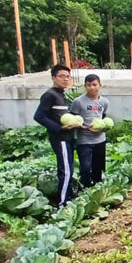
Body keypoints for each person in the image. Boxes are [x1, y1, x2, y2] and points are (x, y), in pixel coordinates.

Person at [34, 64, 77, 207]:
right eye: (61, 76)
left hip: (68, 137)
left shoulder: (61, 94)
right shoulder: (50, 95)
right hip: (61, 139)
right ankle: (62, 203)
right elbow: (39, 116)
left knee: (69, 168)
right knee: (65, 171)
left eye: (67, 77)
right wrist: (59, 128)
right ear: (53, 77)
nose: (65, 79)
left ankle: (69, 195)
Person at [70, 74, 109, 189]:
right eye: (89, 85)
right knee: (86, 168)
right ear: (85, 86)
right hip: (84, 140)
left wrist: (104, 128)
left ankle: (97, 190)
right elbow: (73, 121)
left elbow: (103, 118)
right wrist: (84, 128)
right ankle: (84, 189)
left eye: (94, 84)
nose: (92, 87)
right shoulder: (78, 102)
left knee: (99, 167)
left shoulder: (105, 102)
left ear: (100, 85)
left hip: (100, 139)